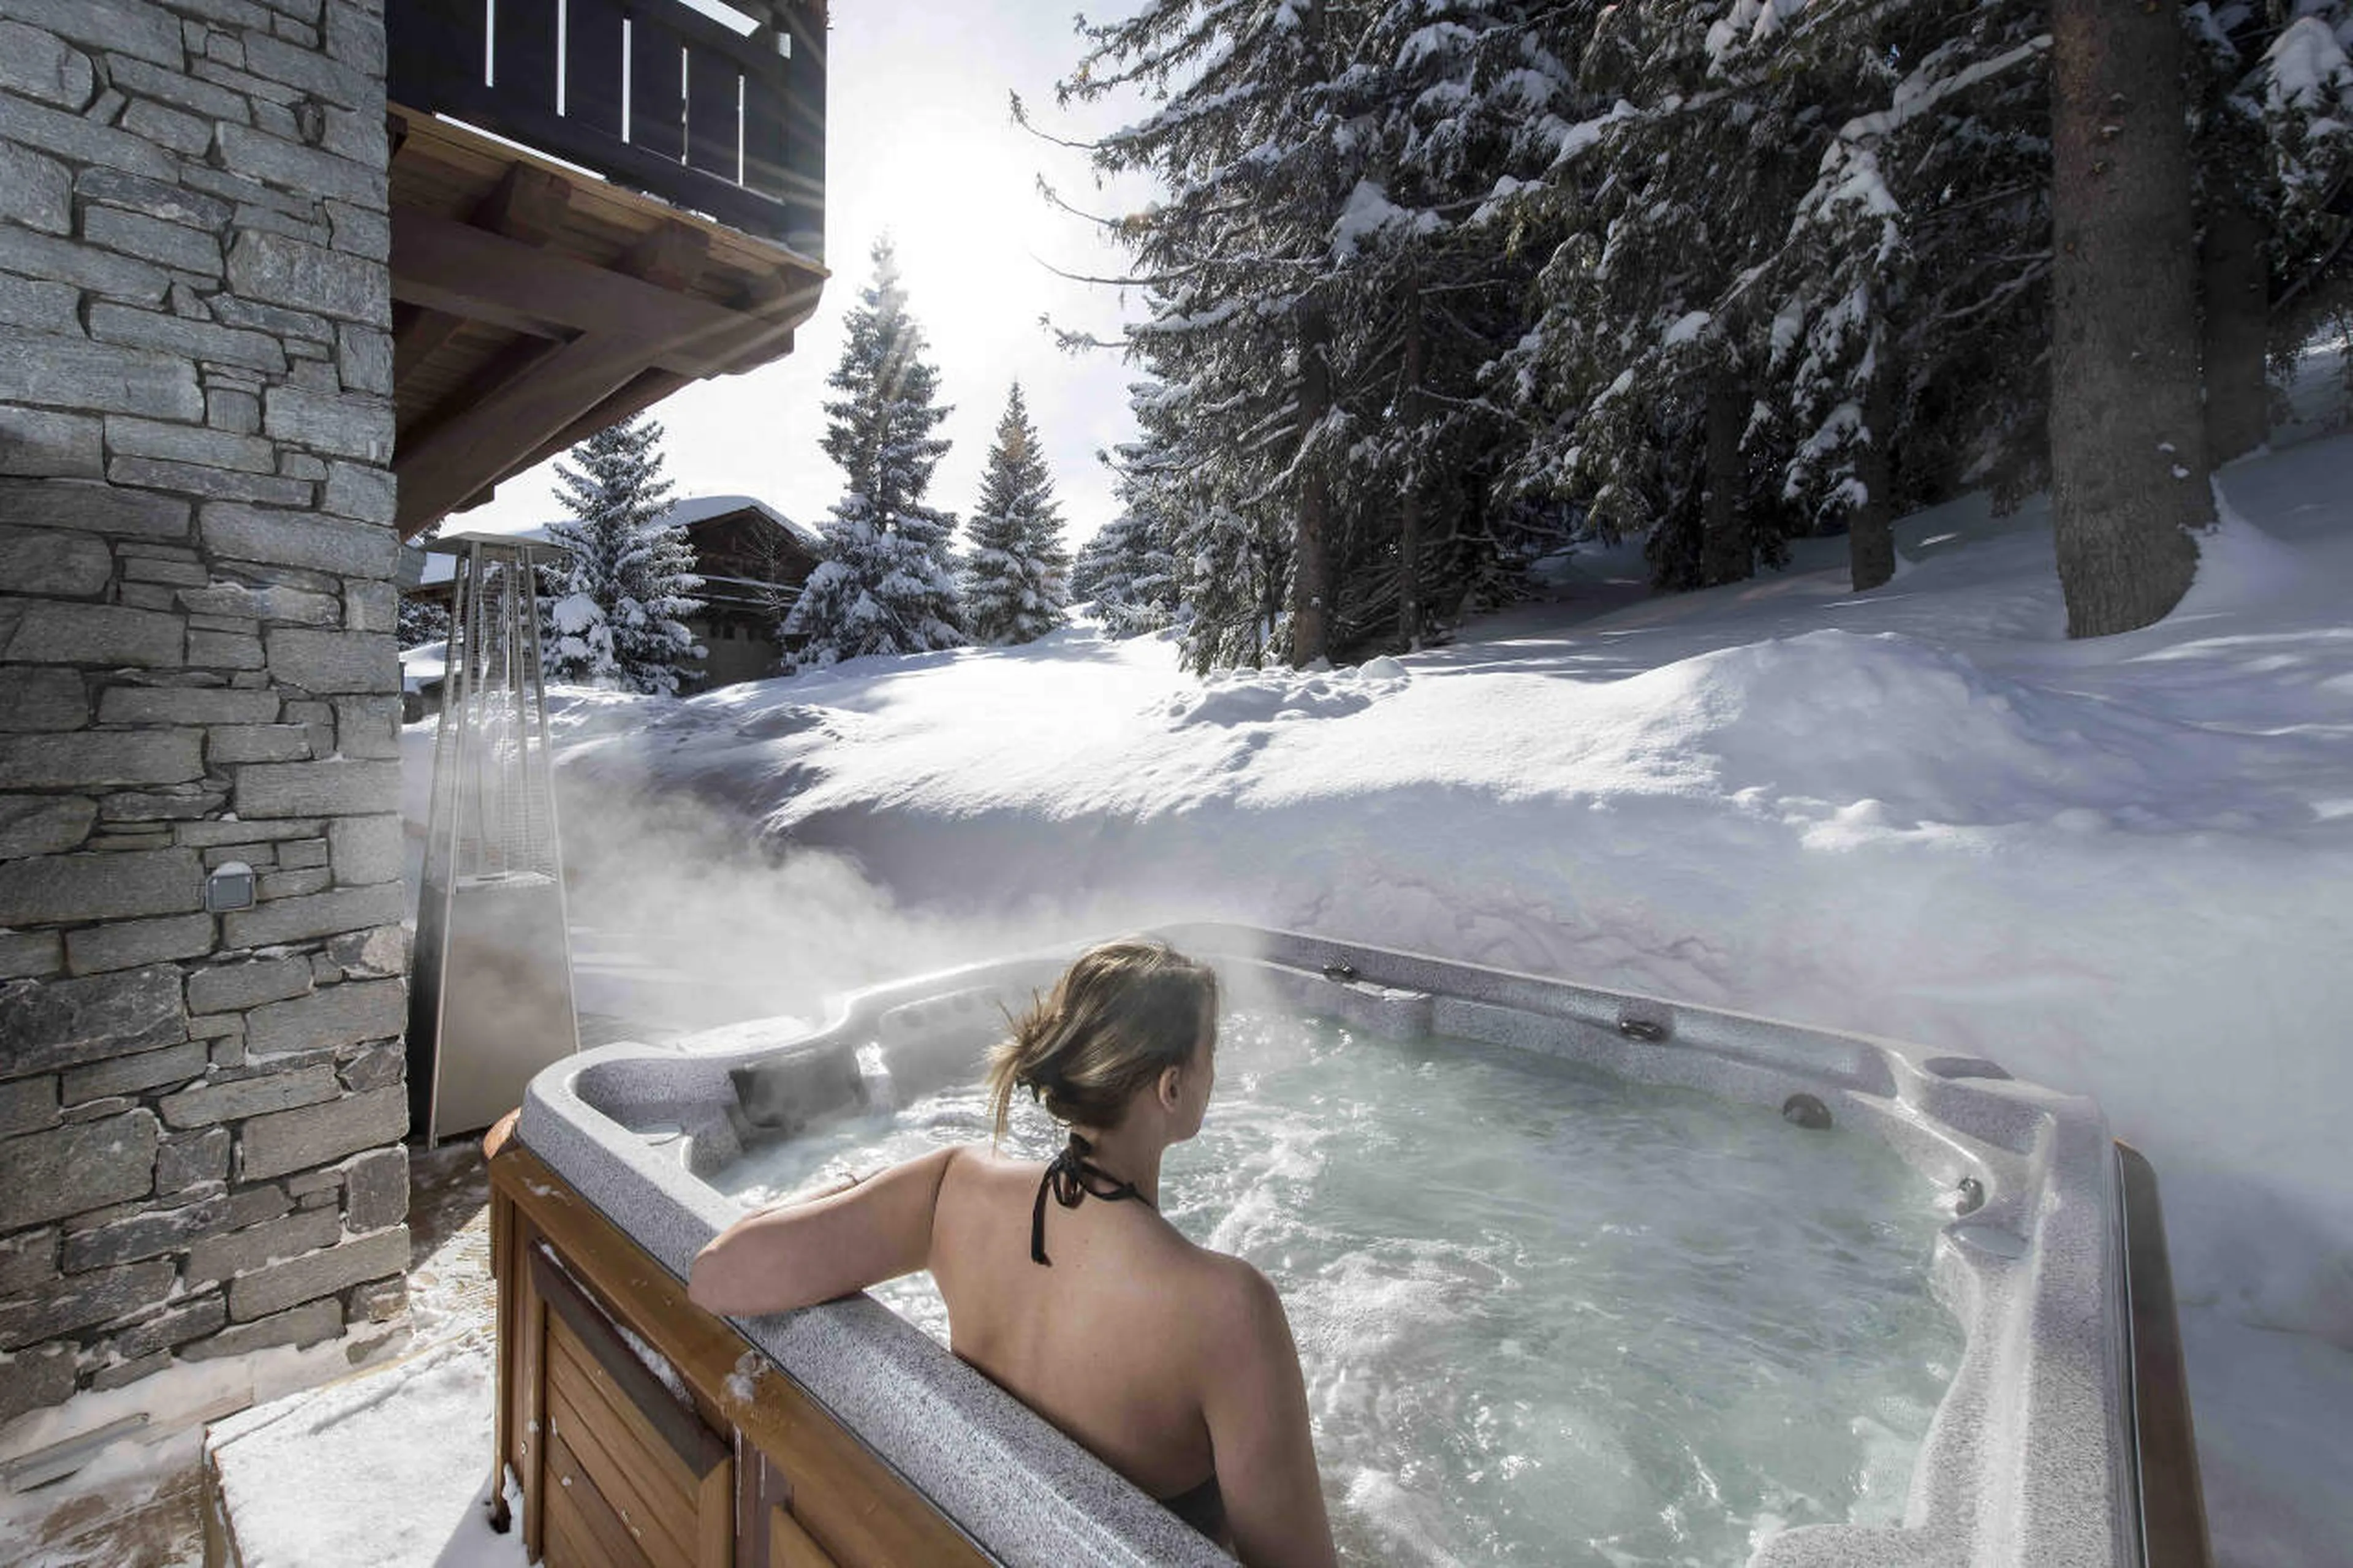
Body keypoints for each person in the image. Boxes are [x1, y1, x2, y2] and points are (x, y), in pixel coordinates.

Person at [689, 939, 1338, 1567]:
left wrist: (869, 1192)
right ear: (1171, 1088)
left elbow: (718, 1275)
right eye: (1211, 1051)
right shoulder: (1228, 1310)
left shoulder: (954, 1190)